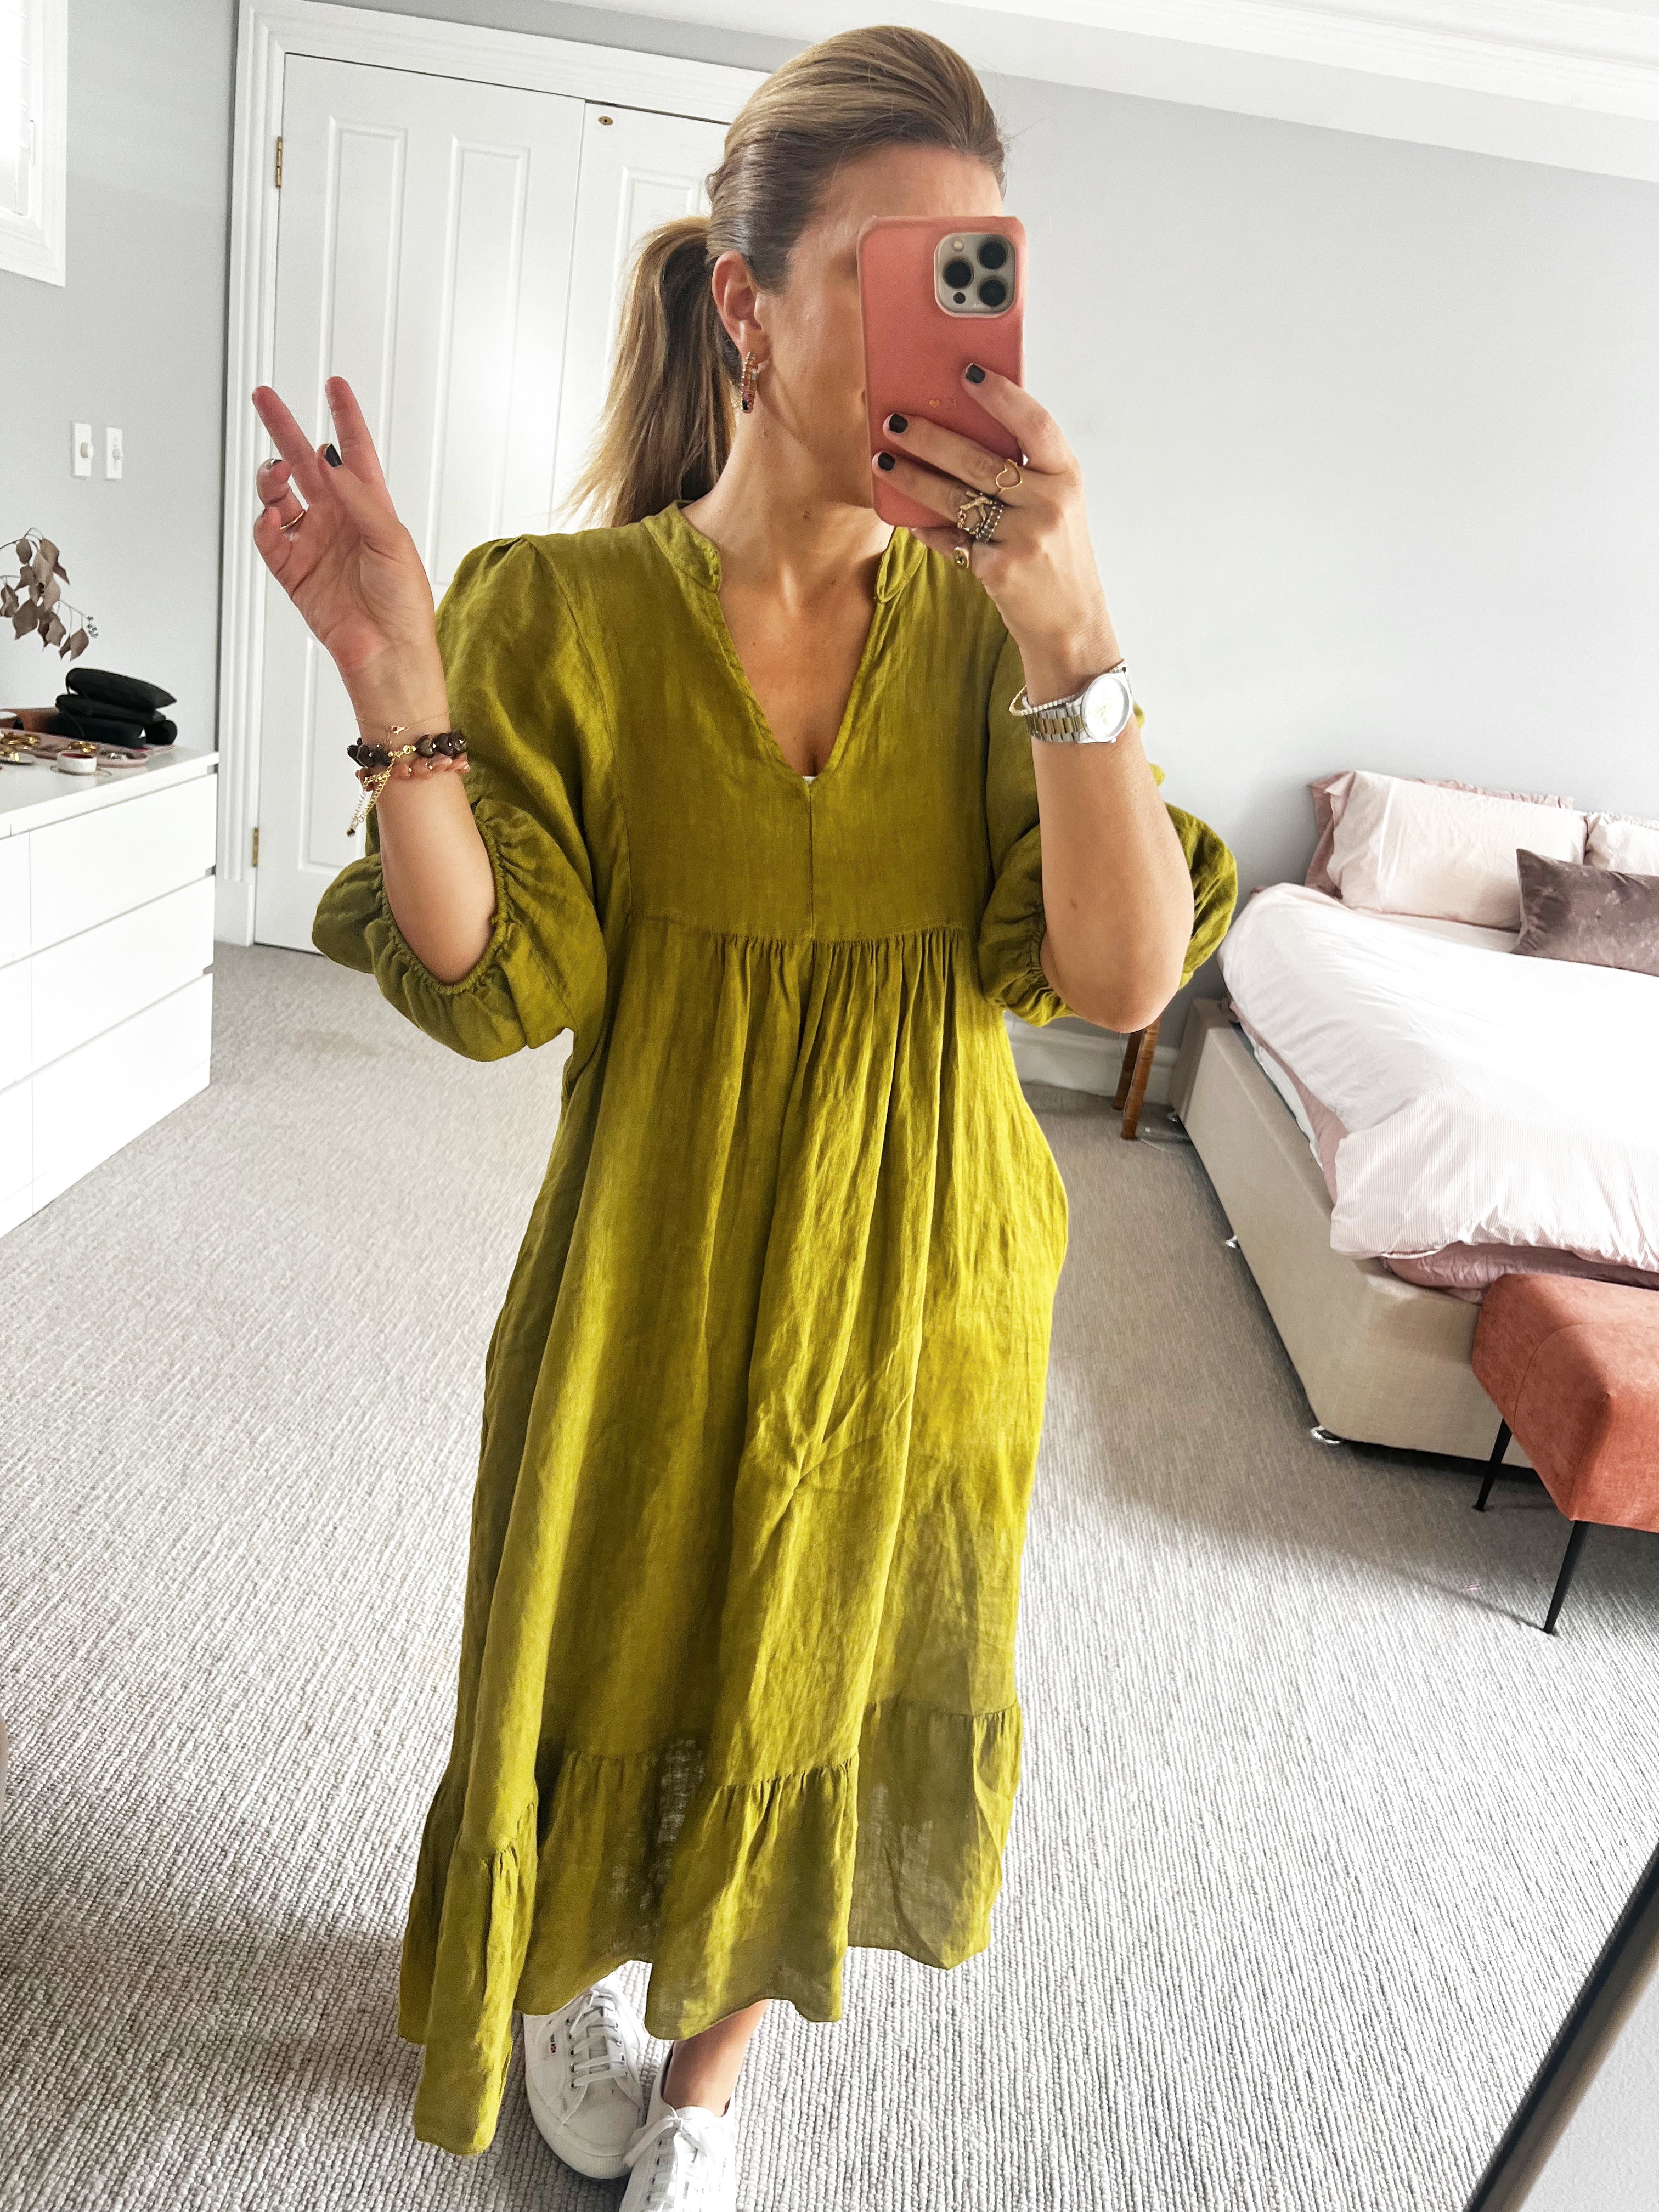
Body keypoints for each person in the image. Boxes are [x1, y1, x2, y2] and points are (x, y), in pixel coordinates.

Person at [251, 25, 1231, 2208]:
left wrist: (1071, 628)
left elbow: (1121, 983)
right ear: (750, 307)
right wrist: (399, 685)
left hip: (923, 1283)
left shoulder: (1004, 642)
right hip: (652, 1265)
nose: (947, 340)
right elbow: (497, 982)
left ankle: (705, 2090)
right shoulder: (566, 610)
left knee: (830, 1657)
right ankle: (570, 1981)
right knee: (616, 1626)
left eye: (978, 282)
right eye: (895, 276)